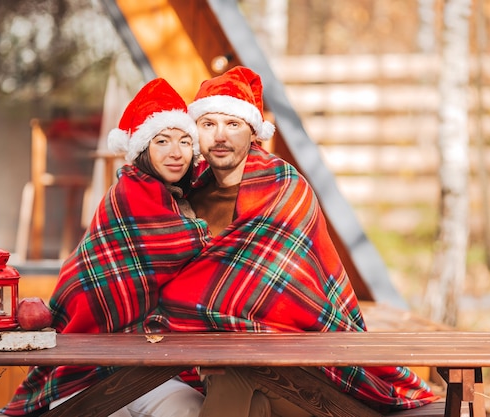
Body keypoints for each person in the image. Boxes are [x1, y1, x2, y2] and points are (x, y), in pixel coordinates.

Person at [133, 66, 440, 416]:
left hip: (304, 368)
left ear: (253, 132)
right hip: (210, 365)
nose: (220, 136)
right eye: (208, 124)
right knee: (244, 393)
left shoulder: (283, 189)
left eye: (232, 124)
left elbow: (281, 297)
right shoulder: (187, 197)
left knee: (235, 374)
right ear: (196, 132)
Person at [0, 78, 211, 416]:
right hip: (87, 364)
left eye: (185, 141)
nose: (176, 152)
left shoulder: (179, 201)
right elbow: (182, 248)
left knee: (191, 408)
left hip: (149, 364)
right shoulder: (129, 194)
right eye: (163, 141)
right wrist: (215, 240)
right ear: (142, 149)